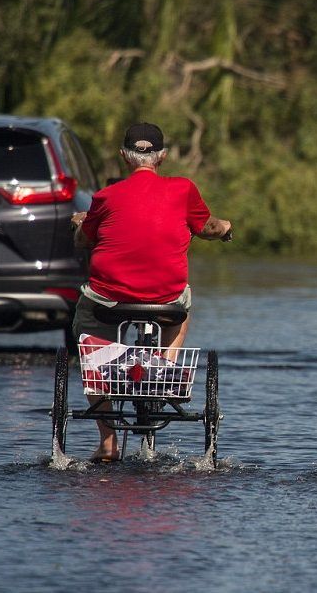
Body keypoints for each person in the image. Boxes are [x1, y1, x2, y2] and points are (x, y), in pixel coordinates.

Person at [71, 122, 232, 462]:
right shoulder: (183, 189)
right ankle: (166, 370)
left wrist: (81, 224)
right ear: (162, 156)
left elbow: (85, 240)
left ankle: (108, 440)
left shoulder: (105, 197)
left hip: (108, 298)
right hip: (165, 301)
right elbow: (208, 228)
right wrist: (226, 227)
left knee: (88, 333)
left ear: (124, 157)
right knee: (181, 307)